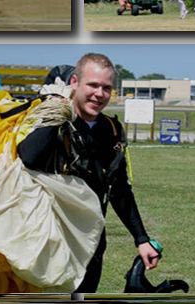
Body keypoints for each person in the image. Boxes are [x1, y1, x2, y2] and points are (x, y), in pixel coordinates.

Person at [16, 54, 161, 293]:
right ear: (75, 82)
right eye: (92, 85)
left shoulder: (111, 130)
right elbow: (29, 157)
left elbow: (120, 189)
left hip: (91, 239)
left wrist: (141, 239)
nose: (99, 94)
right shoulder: (51, 118)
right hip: (48, 237)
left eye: (106, 88)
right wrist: (59, 107)